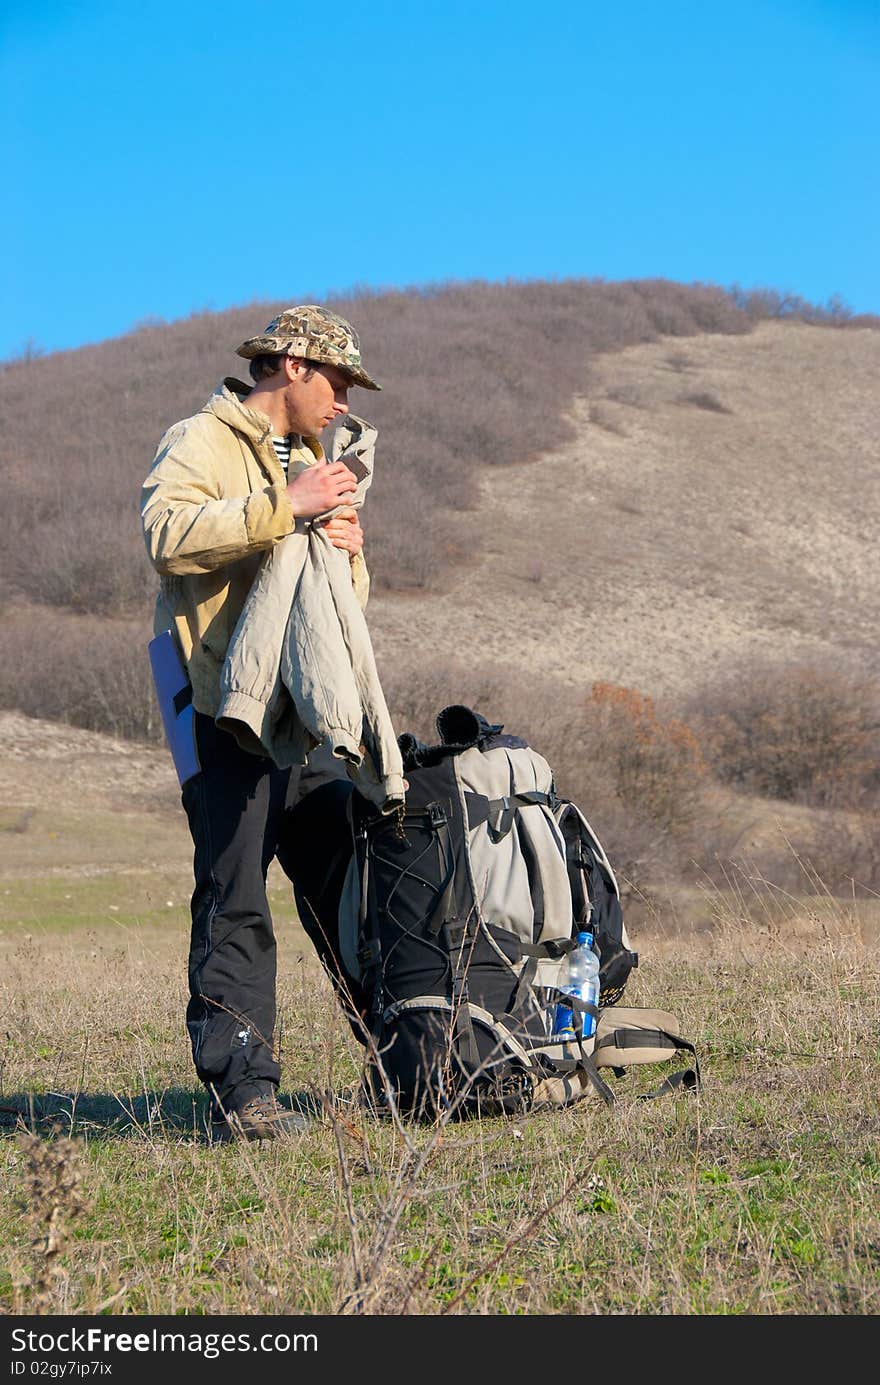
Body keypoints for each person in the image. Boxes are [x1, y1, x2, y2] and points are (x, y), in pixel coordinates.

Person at [141, 305, 381, 1141]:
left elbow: (337, 605)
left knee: (348, 879)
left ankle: (410, 1055)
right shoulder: (200, 440)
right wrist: (289, 502)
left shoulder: (319, 459)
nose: (345, 400)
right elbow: (165, 534)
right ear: (291, 366)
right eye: (339, 380)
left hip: (300, 713)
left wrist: (346, 546)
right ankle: (245, 1093)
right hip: (214, 707)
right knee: (235, 892)